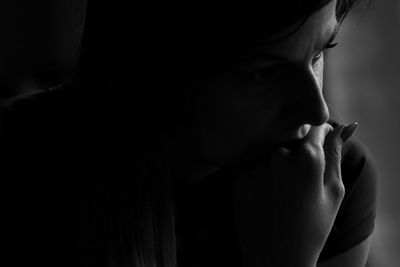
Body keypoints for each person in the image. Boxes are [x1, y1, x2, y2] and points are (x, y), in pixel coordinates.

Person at [0, 0, 377, 266]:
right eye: (264, 72)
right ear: (158, 66)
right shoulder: (20, 168)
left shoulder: (332, 183)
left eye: (319, 52)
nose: (317, 111)